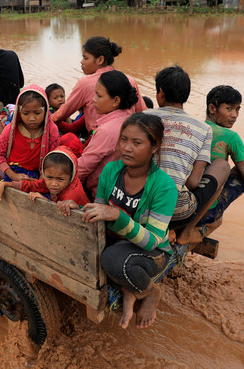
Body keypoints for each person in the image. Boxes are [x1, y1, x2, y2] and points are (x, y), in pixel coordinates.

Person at [63, 113, 177, 329]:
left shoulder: (164, 187)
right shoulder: (111, 170)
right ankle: (128, 289)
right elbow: (98, 214)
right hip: (116, 241)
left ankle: (151, 292)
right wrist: (76, 208)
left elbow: (152, 241)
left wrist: (118, 216)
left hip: (151, 252)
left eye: (137, 142)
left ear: (154, 147)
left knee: (113, 260)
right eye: (123, 140)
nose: (126, 148)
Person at [144, 66, 230, 245]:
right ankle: (187, 231)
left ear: (160, 93)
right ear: (187, 95)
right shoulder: (204, 129)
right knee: (222, 166)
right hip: (177, 212)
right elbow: (193, 182)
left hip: (139, 205)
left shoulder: (143, 117)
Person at [197, 85, 244, 234]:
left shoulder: (195, 127)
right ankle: (206, 224)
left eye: (237, 109)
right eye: (229, 109)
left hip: (186, 203)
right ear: (212, 109)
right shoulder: (230, 137)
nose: (235, 115)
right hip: (206, 210)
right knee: (242, 172)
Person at [50, 36, 145, 133]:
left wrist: (42, 122)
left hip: (98, 138)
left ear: (100, 60)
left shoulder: (85, 83)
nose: (81, 62)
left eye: (85, 58)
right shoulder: (130, 80)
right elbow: (143, 113)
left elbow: (61, 115)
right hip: (126, 136)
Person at [77, 70, 138, 199]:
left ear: (116, 101)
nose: (93, 100)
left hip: (99, 193)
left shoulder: (107, 131)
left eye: (99, 96)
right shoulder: (129, 117)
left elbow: (83, 167)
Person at [0, 84, 59, 181]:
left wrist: (42, 178)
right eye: (26, 113)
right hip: (12, 172)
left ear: (46, 111)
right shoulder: (11, 130)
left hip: (38, 175)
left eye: (37, 113)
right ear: (19, 111)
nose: (32, 118)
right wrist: (12, 175)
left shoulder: (52, 131)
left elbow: (53, 158)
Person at [0, 146, 89, 206]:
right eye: (49, 177)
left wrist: (44, 200)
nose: (54, 183)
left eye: (60, 179)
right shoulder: (52, 181)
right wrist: (6, 184)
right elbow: (34, 185)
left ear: (71, 176)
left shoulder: (72, 194)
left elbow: (61, 216)